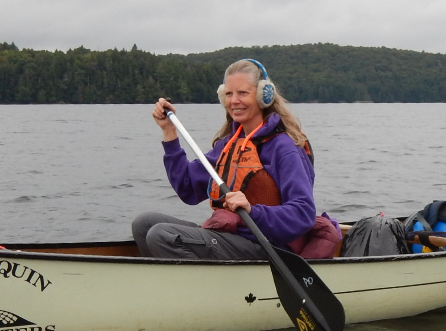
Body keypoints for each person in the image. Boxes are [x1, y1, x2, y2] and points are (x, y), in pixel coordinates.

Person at [132, 59, 340, 260]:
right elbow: (187, 188)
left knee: (160, 235)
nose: (234, 101)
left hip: (269, 246)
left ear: (262, 96)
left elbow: (303, 213)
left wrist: (253, 210)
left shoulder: (285, 148)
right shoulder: (230, 144)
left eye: (243, 93)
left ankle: (197, 288)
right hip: (232, 238)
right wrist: (169, 133)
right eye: (229, 94)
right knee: (144, 224)